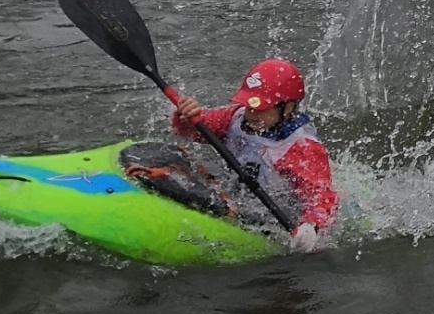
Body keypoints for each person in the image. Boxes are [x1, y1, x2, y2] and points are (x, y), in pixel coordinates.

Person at [122, 59, 337, 252]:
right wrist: (185, 115)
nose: (250, 113)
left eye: (259, 108)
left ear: (288, 107)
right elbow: (190, 132)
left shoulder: (302, 148)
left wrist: (311, 227)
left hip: (275, 215)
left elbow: (321, 197)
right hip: (236, 195)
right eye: (248, 105)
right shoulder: (235, 117)